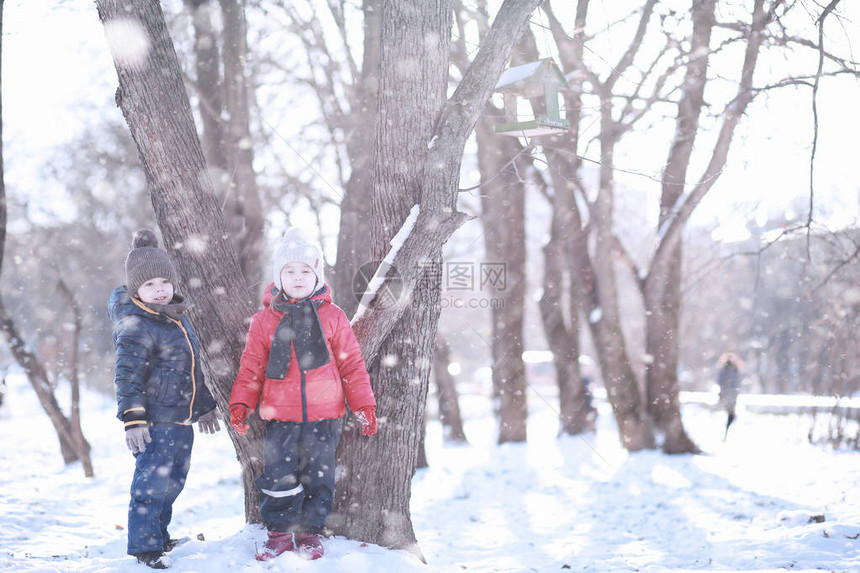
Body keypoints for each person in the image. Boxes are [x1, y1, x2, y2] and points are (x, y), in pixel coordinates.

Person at [229, 228, 377, 561]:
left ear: (317, 275)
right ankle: (279, 532)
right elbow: (251, 367)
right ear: (278, 277)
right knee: (278, 475)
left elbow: (352, 365)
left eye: (305, 271)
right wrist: (240, 404)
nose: (298, 278)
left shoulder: (334, 317)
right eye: (289, 271)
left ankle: (311, 532)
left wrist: (364, 405)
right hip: (279, 416)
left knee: (319, 475)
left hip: (325, 416)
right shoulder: (264, 320)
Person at [108, 229, 221, 570]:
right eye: (149, 285)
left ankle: (160, 536)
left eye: (163, 282)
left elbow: (191, 370)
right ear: (135, 291)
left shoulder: (177, 320)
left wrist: (203, 407)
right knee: (150, 484)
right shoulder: (136, 325)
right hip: (153, 422)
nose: (159, 289)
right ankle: (145, 548)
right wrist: (133, 419)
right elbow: (127, 376)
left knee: (172, 483)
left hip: (180, 421)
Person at [717, 352, 742, 439]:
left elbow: (735, 383)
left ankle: (726, 433)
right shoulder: (728, 370)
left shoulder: (733, 370)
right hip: (728, 395)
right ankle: (725, 433)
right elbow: (722, 382)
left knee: (730, 414)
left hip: (730, 395)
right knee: (730, 413)